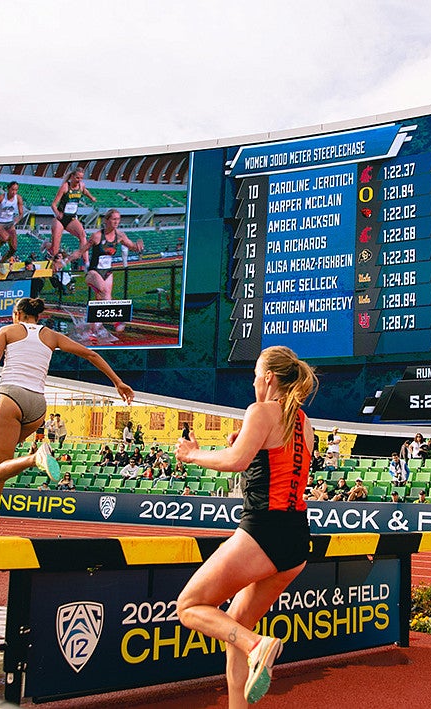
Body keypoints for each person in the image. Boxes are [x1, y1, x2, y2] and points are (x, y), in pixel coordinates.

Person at [174, 345, 317, 706]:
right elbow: (273, 464)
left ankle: (259, 646)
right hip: (297, 539)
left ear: (269, 377)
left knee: (189, 606)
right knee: (235, 626)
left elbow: (238, 462)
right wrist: (242, 447)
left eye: (256, 373)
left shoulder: (262, 411)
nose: (253, 380)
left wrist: (192, 454)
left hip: (263, 531)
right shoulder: (304, 422)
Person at [0, 298, 134, 529]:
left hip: (9, 398)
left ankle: (35, 458)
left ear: (17, 314)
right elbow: (92, 355)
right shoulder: (51, 336)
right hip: (38, 405)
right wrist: (118, 382)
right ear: (37, 316)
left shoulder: (7, 330)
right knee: (5, 460)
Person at [66, 209, 145, 342]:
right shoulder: (97, 236)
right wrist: (67, 260)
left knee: (104, 298)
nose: (116, 222)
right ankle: (116, 320)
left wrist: (137, 246)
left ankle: (93, 328)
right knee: (102, 290)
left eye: (118, 219)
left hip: (108, 272)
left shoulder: (119, 236)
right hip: (93, 272)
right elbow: (81, 251)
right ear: (106, 220)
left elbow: (131, 246)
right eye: (114, 219)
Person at [50, 166, 97, 258]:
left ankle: (86, 263)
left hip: (71, 219)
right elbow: (53, 205)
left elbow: (85, 191)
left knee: (83, 235)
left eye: (81, 178)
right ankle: (47, 246)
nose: (79, 180)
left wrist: (91, 197)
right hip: (61, 219)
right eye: (77, 178)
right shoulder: (65, 187)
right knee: (55, 249)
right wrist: (57, 213)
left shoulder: (81, 186)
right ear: (72, 177)